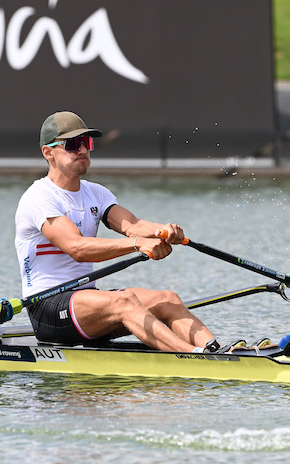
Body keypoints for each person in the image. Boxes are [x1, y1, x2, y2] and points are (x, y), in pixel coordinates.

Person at [14, 111, 223, 353]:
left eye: (87, 143)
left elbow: (132, 225)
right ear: (48, 152)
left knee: (168, 299)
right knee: (124, 302)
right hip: (48, 308)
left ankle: (216, 351)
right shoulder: (39, 197)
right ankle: (194, 358)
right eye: (72, 144)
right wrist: (138, 244)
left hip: (86, 303)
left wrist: (163, 231)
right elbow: (77, 249)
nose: (82, 150)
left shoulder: (96, 193)